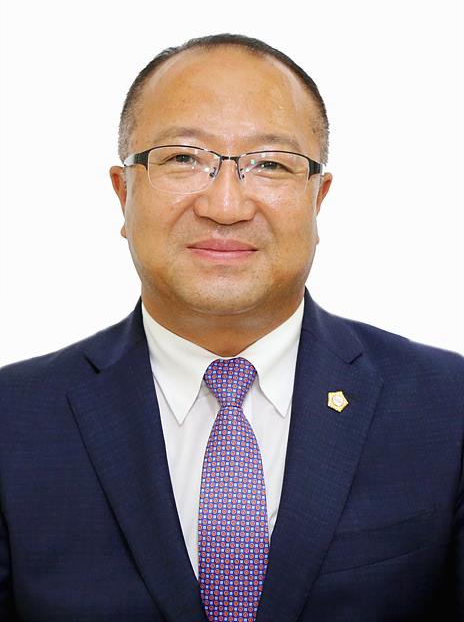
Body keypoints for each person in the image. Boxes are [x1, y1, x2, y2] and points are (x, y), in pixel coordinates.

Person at [0, 33, 462, 622]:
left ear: (318, 198)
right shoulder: (13, 420)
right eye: (182, 159)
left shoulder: (447, 406)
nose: (225, 206)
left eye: (270, 164)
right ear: (123, 193)